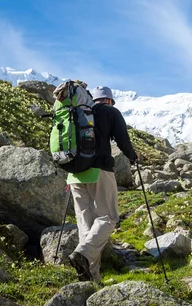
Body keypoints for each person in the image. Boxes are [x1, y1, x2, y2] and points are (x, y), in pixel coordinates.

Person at [68, 86, 137, 283]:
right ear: (109, 100)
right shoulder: (110, 111)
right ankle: (82, 253)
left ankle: (91, 276)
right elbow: (123, 140)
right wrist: (133, 157)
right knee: (108, 217)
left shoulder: (75, 111)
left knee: (86, 223)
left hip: (74, 173)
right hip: (99, 170)